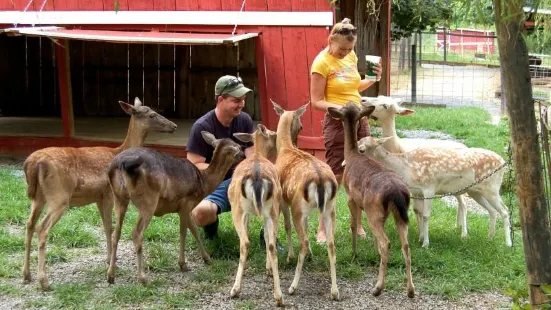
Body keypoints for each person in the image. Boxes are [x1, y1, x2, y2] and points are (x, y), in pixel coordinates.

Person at [310, 18, 383, 243]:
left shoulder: (350, 56)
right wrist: (340, 110)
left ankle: (358, 225)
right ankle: (323, 227)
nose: (346, 53)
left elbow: (354, 86)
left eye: (350, 49)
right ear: (331, 40)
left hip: (359, 118)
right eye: (342, 48)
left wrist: (372, 79)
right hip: (337, 122)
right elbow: (316, 100)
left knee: (361, 172)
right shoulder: (321, 63)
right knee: (334, 173)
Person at [187, 75, 255, 239]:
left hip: (242, 179)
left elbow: (253, 157)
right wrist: (223, 168)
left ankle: (267, 235)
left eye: (243, 99)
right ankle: (211, 225)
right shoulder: (202, 127)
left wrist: (242, 172)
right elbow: (193, 165)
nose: (241, 104)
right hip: (214, 183)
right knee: (200, 214)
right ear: (220, 100)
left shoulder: (244, 120)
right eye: (236, 100)